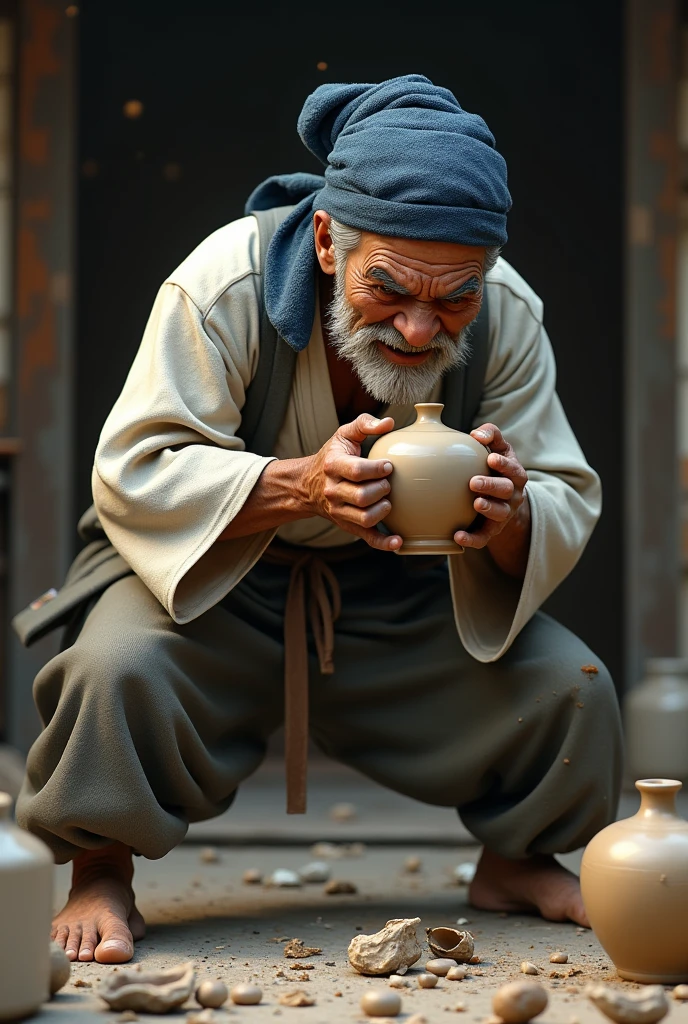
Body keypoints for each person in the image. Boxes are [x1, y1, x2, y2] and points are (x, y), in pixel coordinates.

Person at [15, 75, 622, 965]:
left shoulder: (509, 314)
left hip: (398, 597)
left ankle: (517, 859)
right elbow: (135, 470)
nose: (420, 330)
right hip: (216, 583)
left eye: (455, 298)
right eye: (393, 289)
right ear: (331, 241)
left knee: (573, 686)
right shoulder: (225, 283)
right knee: (117, 671)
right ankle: (100, 867)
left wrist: (510, 512)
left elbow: (565, 487)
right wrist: (297, 486)